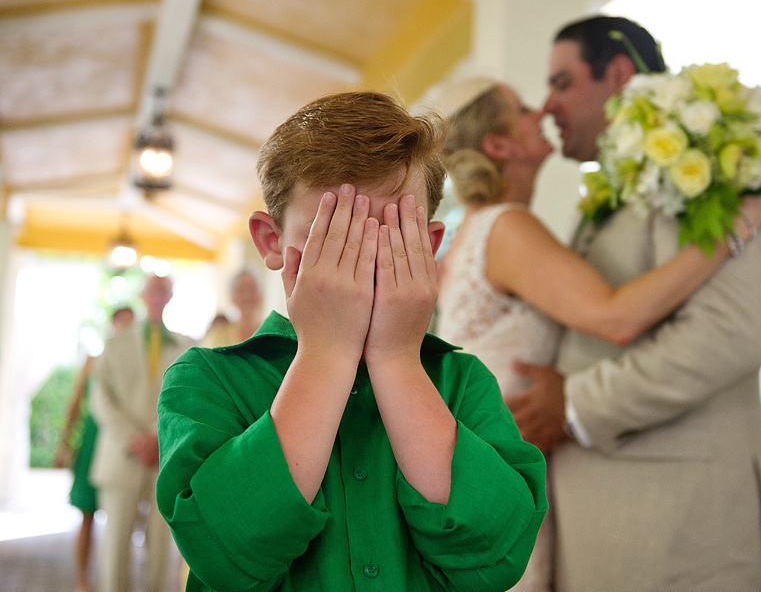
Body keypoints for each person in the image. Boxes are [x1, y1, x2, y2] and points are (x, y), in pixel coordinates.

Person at [156, 91, 548, 592]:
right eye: (334, 237)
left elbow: (496, 554)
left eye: (389, 234)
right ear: (271, 241)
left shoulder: (462, 381)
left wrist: (398, 359)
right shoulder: (205, 380)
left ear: (427, 248)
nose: (361, 262)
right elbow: (226, 558)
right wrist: (325, 354)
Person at [433, 77, 761, 592]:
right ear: (499, 145)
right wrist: (736, 230)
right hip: (510, 470)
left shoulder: (479, 230)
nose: (543, 108)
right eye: (526, 106)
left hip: (502, 467)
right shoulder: (507, 228)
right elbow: (617, 318)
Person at [90, 276, 194, 592]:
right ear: (143, 295)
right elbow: (100, 400)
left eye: (165, 290)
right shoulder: (115, 343)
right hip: (121, 455)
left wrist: (158, 437)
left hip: (166, 457)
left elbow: (190, 399)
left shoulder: (188, 347)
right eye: (154, 290)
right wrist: (136, 439)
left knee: (163, 552)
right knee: (115, 547)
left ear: (171, 296)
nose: (158, 296)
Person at [55, 306, 134, 592]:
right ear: (112, 326)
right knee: (87, 514)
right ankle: (82, 581)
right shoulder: (94, 359)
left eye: (130, 323)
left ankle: (112, 579)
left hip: (121, 444)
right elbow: (76, 402)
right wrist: (64, 443)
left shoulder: (134, 362)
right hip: (92, 440)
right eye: (121, 322)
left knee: (120, 521)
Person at [202, 269, 264, 347]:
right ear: (232, 296)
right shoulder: (219, 335)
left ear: (261, 294)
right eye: (241, 289)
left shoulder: (271, 333)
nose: (247, 295)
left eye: (252, 288)